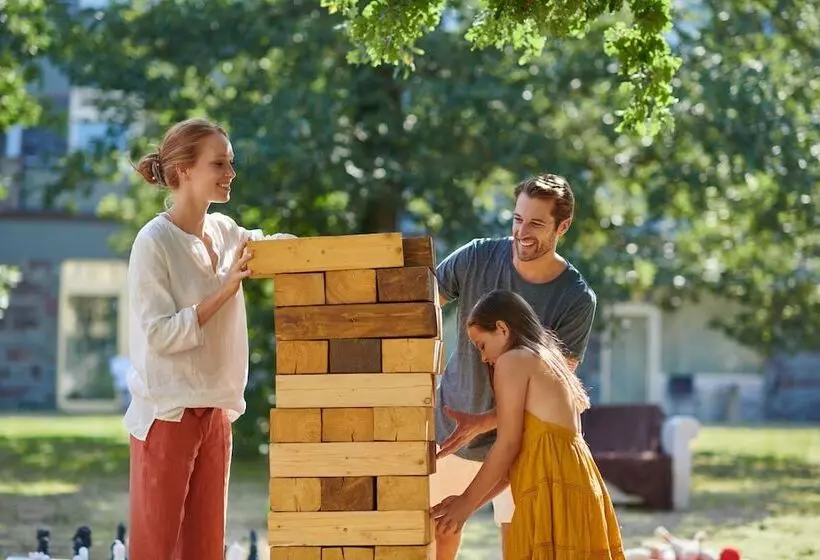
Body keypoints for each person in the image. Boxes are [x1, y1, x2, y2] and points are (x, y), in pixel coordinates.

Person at [125, 117, 292, 559]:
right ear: (183, 171)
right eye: (219, 163)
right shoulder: (153, 242)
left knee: (204, 550)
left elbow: (269, 246)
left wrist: (310, 253)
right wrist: (224, 290)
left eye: (231, 162)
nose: (230, 173)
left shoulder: (224, 230)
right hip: (168, 414)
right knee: (156, 550)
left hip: (216, 409)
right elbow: (160, 334)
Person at [431, 173, 597, 558]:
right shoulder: (477, 256)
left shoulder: (576, 299)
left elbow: (553, 388)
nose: (523, 232)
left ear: (563, 226)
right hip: (451, 429)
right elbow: (420, 307)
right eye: (517, 219)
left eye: (536, 223)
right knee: (437, 530)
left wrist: (486, 421)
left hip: (526, 442)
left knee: (522, 543)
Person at [431, 290, 625, 559]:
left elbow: (507, 444)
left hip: (551, 494)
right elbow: (516, 465)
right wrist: (468, 504)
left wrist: (464, 505)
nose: (484, 358)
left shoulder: (513, 360)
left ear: (501, 329)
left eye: (482, 346)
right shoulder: (549, 360)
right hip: (575, 488)